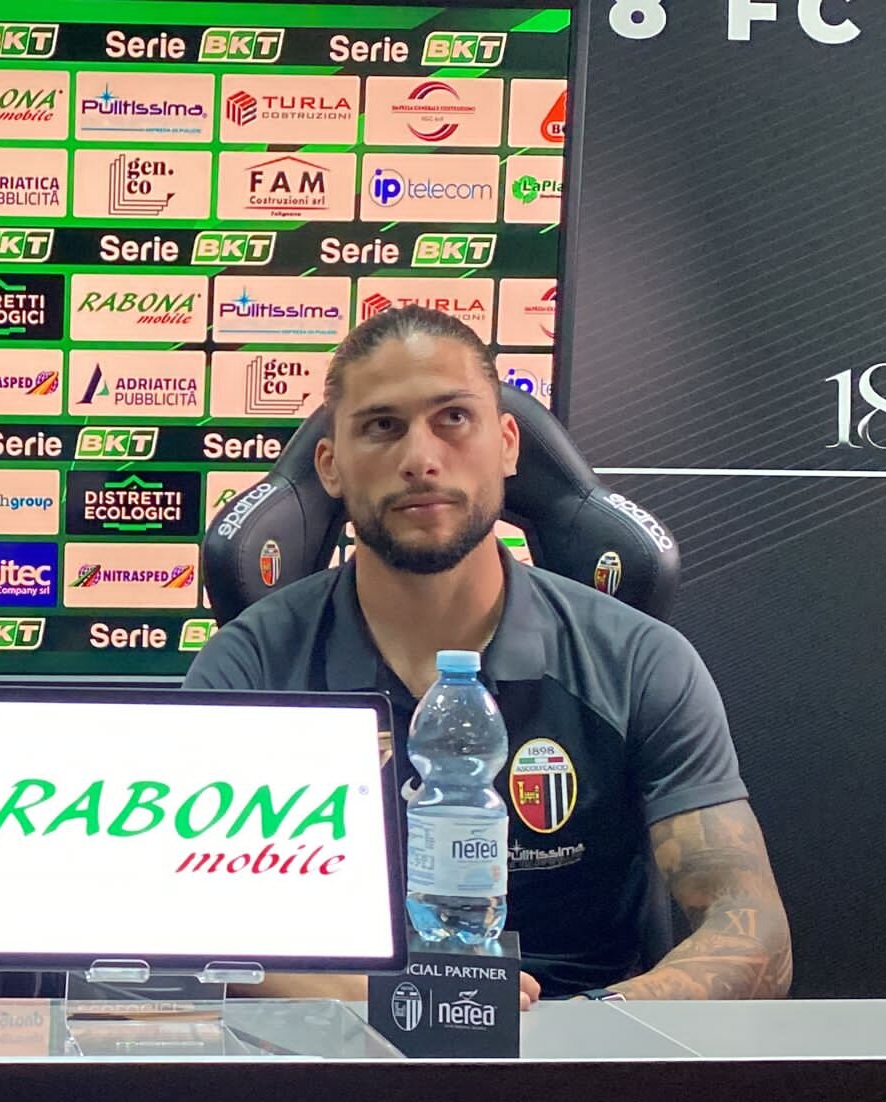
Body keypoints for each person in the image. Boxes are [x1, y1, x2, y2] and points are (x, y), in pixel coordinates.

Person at [185, 306, 791, 1004]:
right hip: (331, 1052)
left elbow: (753, 932)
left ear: (507, 445)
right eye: (382, 426)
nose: (421, 459)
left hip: (583, 1052)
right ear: (331, 466)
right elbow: (187, 923)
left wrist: (585, 1032)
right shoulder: (250, 668)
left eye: (453, 418)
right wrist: (390, 1007)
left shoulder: (639, 661)